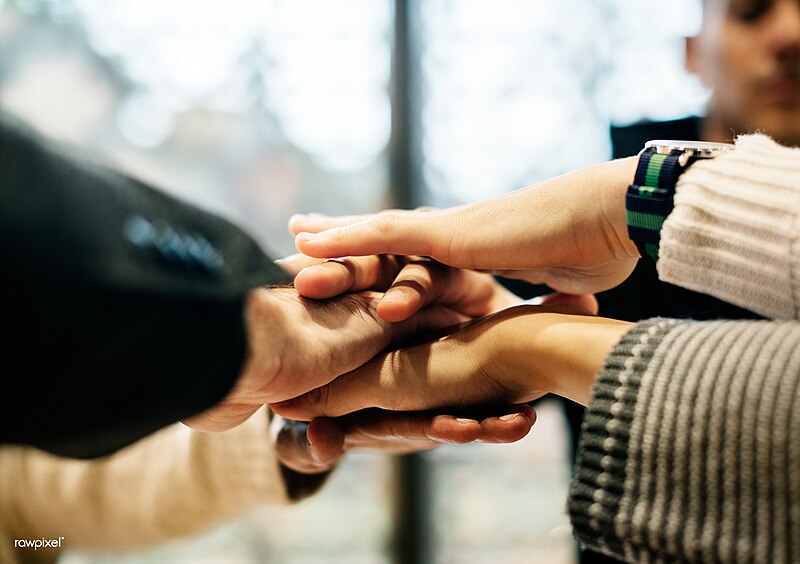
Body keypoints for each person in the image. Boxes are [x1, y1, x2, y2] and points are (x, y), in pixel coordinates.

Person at [276, 131, 800, 562]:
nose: (789, 37)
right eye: (748, 9)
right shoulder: (609, 184)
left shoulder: (614, 202)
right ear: (694, 46)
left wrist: (532, 348)